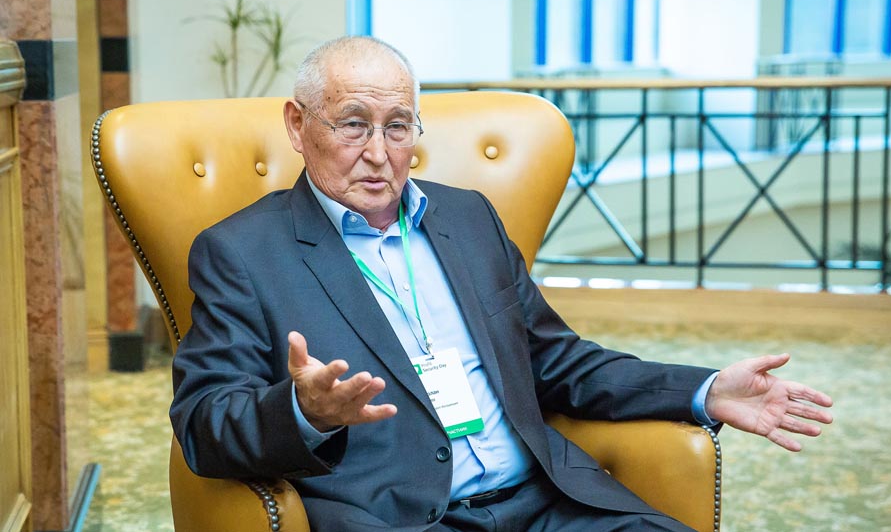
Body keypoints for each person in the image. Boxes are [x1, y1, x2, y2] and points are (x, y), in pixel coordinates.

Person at [170, 36, 833, 532]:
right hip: (403, 517)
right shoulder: (242, 253)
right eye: (352, 123)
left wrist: (704, 389)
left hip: (549, 504)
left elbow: (557, 361)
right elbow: (202, 423)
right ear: (297, 125)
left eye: (397, 126)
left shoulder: (467, 218)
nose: (378, 152)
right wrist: (303, 411)